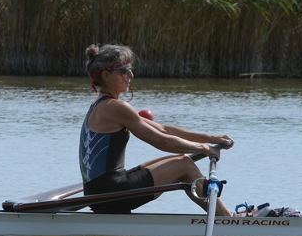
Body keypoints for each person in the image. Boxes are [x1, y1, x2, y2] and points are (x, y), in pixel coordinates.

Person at [80, 43, 233, 215]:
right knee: (184, 164)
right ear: (106, 75)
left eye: (130, 69)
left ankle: (223, 217)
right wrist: (204, 149)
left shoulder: (100, 105)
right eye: (125, 70)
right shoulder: (115, 107)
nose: (131, 74)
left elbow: (163, 129)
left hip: (98, 191)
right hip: (110, 193)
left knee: (180, 159)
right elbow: (161, 141)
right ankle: (227, 219)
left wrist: (212, 139)